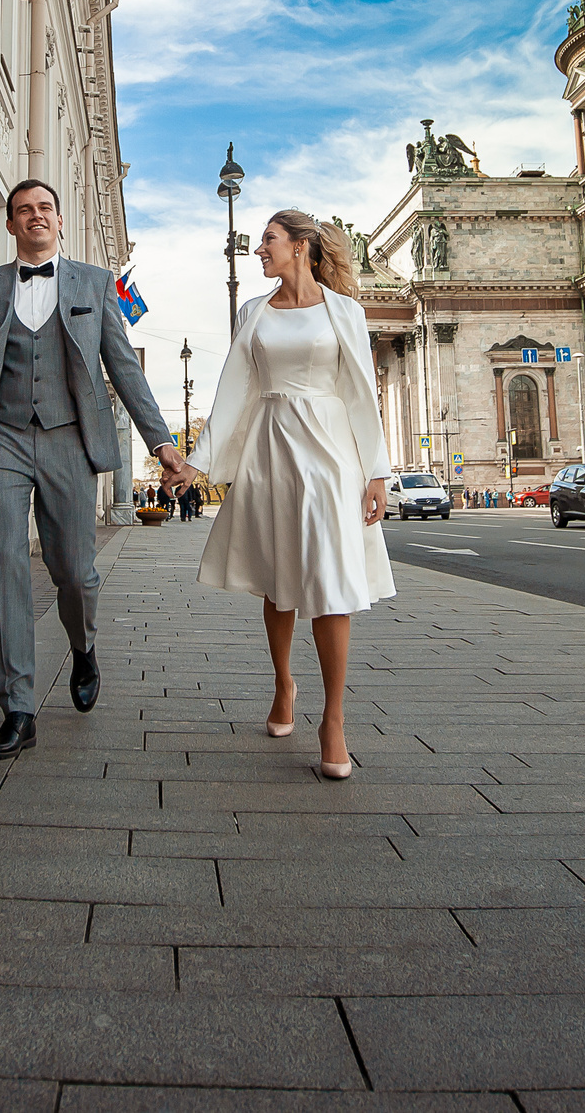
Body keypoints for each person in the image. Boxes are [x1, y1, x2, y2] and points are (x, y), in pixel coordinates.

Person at [0, 179, 183, 760]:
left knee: (74, 569)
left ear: (58, 220)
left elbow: (124, 370)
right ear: (10, 225)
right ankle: (17, 708)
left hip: (70, 439)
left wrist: (162, 442)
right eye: (23, 210)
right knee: (4, 562)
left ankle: (83, 645)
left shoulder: (96, 285)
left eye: (44, 208)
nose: (35, 216)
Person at [192, 209, 395, 780]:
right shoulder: (253, 312)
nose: (259, 251)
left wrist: (376, 471)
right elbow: (234, 388)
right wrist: (200, 461)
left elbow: (361, 393)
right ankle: (284, 682)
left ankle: (334, 718)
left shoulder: (345, 312)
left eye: (269, 242)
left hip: (330, 452)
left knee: (329, 578)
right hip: (270, 447)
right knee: (279, 575)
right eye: (259, 243)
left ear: (301, 247)